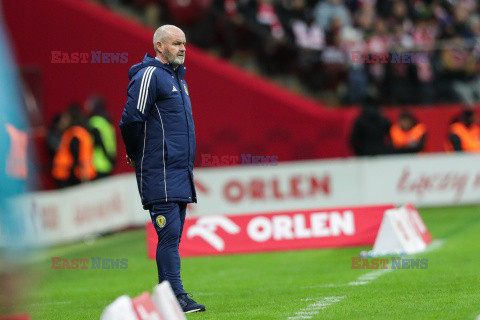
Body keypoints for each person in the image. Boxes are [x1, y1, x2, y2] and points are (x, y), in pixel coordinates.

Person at [119, 25, 205, 313]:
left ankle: (165, 302)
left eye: (184, 43)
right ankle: (177, 297)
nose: (182, 48)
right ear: (159, 46)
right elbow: (131, 119)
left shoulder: (178, 79)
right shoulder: (149, 75)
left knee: (173, 236)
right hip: (160, 170)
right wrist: (134, 154)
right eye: (176, 43)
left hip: (179, 171)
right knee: (169, 236)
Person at [51, 103, 96, 188]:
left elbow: (76, 154)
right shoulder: (82, 131)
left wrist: (82, 176)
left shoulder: (73, 133)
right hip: (77, 173)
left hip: (70, 173)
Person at [85, 95, 117, 179]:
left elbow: (98, 141)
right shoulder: (107, 121)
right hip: (109, 161)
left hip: (97, 163)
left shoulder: (94, 121)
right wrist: (111, 158)